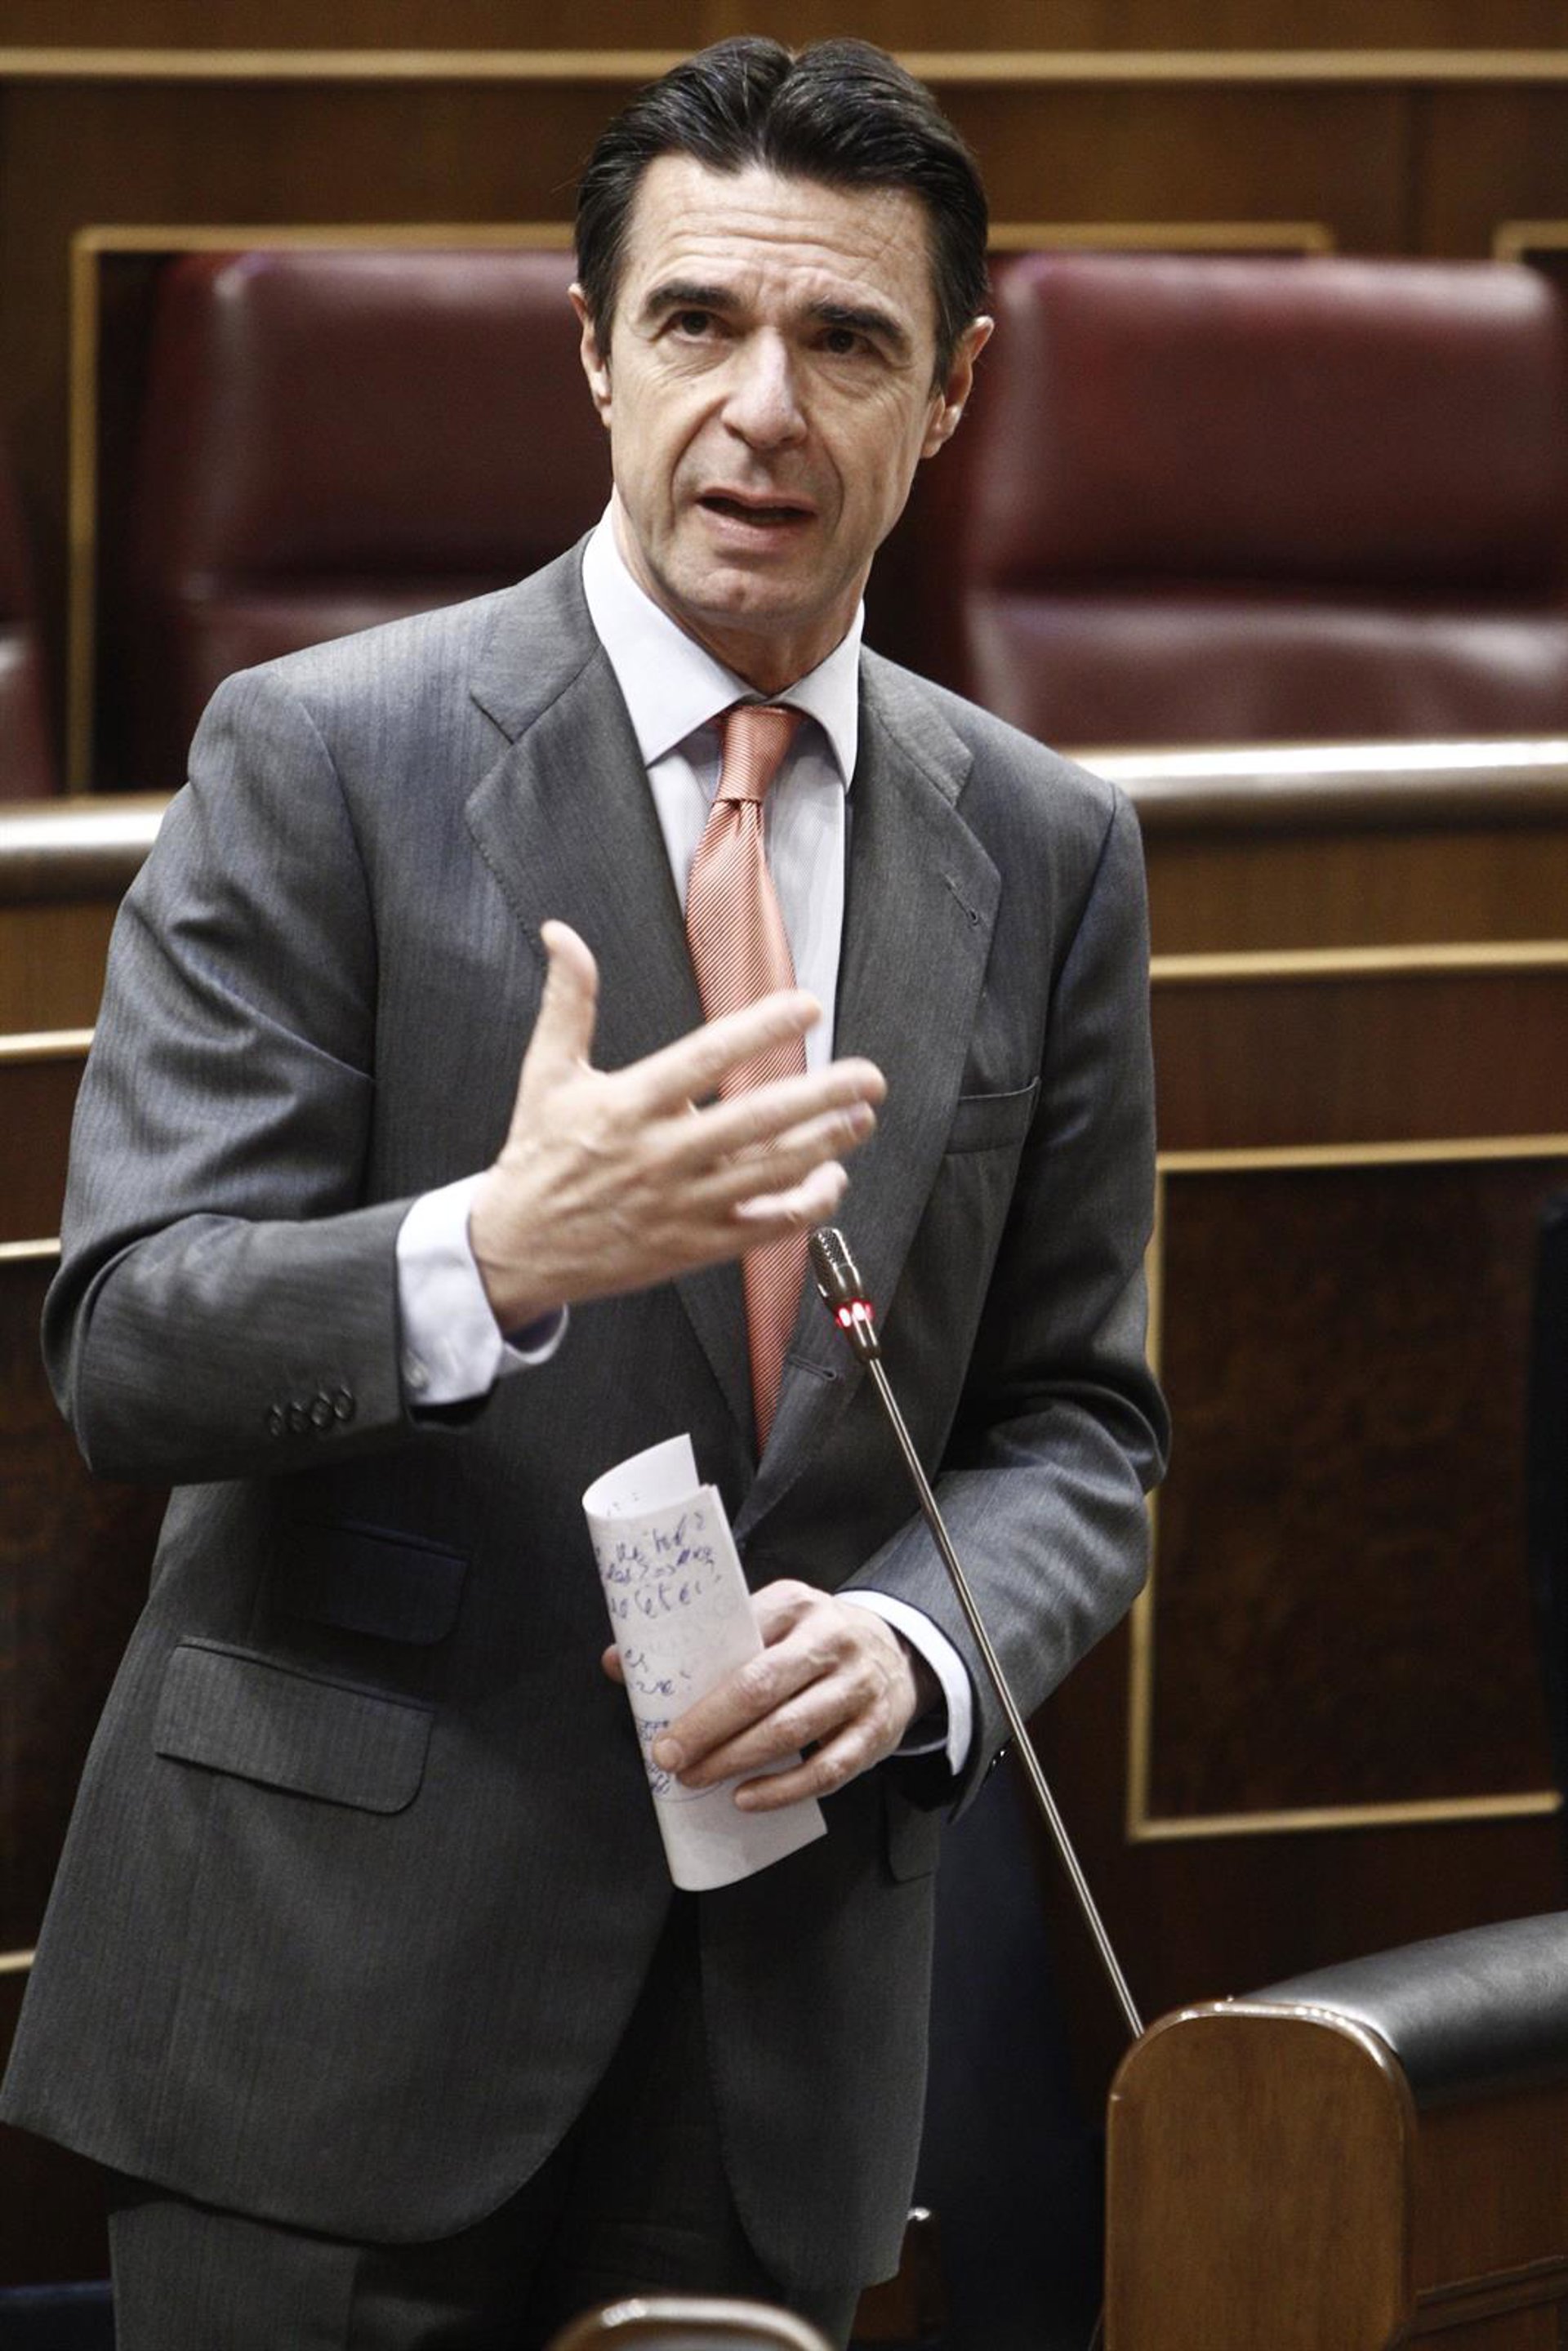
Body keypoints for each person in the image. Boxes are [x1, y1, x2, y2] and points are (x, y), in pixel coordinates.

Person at [2, 35, 1168, 2350]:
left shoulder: (1049, 848)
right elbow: (131, 1344)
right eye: (697, 323)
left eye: (847, 342)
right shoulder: (324, 756)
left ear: (954, 391)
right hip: (327, 2008)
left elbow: (1081, 1425)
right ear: (592, 352)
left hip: (773, 2044)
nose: (763, 409)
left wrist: (921, 1654)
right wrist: (491, 1255)